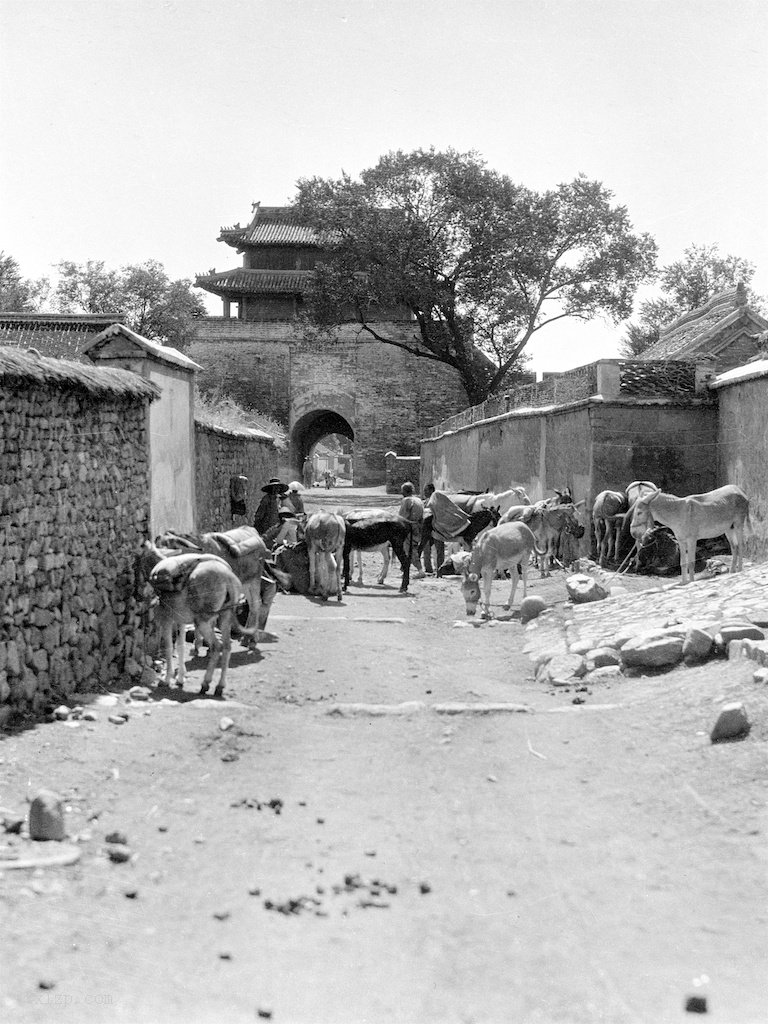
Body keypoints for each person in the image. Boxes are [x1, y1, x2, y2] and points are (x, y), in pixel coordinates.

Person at [398, 481, 425, 581]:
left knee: (409, 550)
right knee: (410, 549)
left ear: (405, 491)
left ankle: (420, 570)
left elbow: (401, 517)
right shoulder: (418, 500)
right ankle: (405, 570)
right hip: (418, 528)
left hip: (409, 528)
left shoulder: (406, 501)